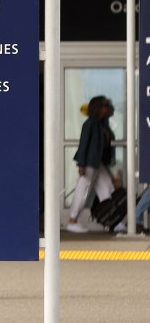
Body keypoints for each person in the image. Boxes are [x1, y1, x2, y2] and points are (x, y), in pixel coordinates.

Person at [67, 96, 116, 233]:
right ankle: (72, 221)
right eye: (105, 105)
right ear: (98, 108)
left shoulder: (101, 124)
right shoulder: (89, 124)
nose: (108, 108)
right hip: (89, 163)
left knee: (107, 189)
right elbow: (83, 145)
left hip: (97, 163)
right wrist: (81, 164)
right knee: (82, 192)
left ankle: (113, 221)